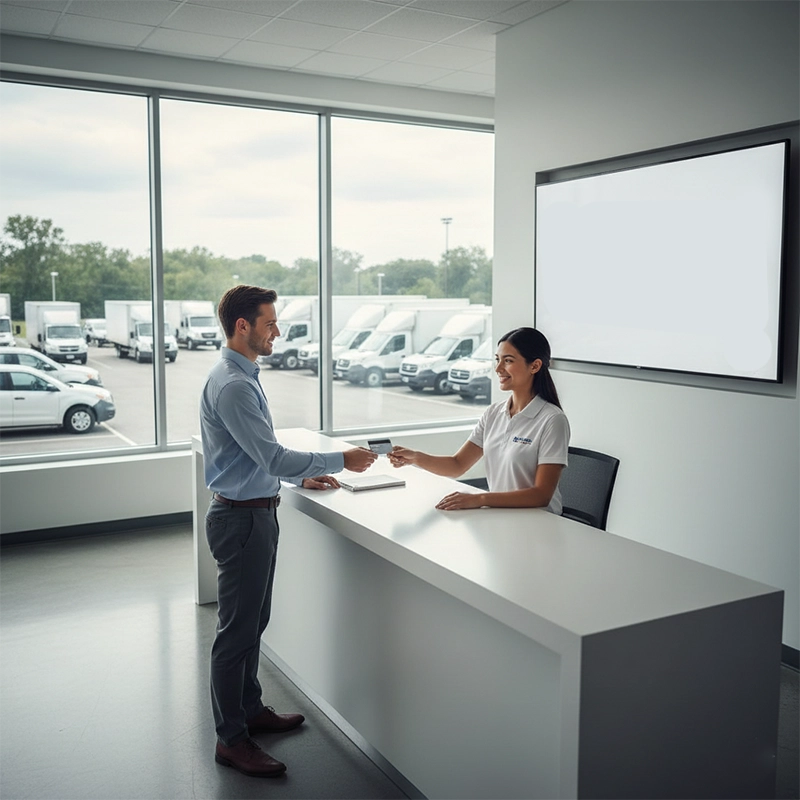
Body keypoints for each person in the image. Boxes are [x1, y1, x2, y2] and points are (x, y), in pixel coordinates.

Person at [200, 285, 377, 778]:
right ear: (243, 326)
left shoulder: (241, 375)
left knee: (253, 623)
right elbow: (271, 456)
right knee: (236, 634)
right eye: (270, 323)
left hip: (254, 513)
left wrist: (301, 477)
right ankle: (231, 739)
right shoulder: (234, 385)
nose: (277, 331)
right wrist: (341, 459)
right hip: (241, 520)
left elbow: (255, 456)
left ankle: (250, 710)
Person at [388, 327, 569, 512]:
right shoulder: (494, 413)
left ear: (535, 366)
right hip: (502, 516)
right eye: (497, 359)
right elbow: (457, 465)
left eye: (508, 361)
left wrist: (480, 498)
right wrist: (415, 458)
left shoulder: (552, 420)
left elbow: (541, 495)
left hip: (540, 521)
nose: (498, 368)